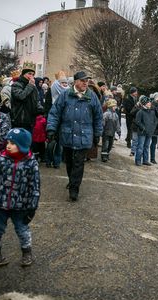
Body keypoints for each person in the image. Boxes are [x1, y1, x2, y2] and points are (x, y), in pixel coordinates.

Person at [0, 128, 40, 267]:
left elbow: (35, 188)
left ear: (23, 146)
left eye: (12, 143)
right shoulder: (2, 159)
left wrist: (32, 207)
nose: (8, 145)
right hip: (1, 204)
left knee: (22, 229)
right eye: (8, 142)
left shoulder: (31, 164)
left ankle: (26, 252)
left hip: (20, 206)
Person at [46, 71, 103, 202]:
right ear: (75, 82)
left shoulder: (92, 96)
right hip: (67, 134)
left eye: (87, 81)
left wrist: (97, 134)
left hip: (84, 135)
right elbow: (55, 113)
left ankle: (74, 189)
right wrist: (51, 128)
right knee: (69, 162)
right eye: (82, 80)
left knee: (78, 162)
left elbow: (98, 117)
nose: (85, 83)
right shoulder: (65, 95)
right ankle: (72, 180)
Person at [11, 62, 43, 133]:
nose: (31, 76)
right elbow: (21, 96)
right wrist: (30, 85)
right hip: (19, 120)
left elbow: (36, 100)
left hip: (30, 120)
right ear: (23, 74)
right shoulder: (16, 84)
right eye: (29, 74)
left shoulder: (32, 86)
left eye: (33, 74)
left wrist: (41, 110)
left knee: (28, 142)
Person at [134, 96, 156, 166]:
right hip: (142, 132)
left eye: (150, 102)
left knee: (146, 147)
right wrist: (142, 128)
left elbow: (155, 121)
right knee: (140, 146)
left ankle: (145, 160)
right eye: (148, 102)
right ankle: (138, 160)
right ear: (144, 103)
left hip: (149, 132)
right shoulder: (140, 112)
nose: (150, 103)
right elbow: (137, 121)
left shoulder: (152, 112)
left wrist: (153, 128)